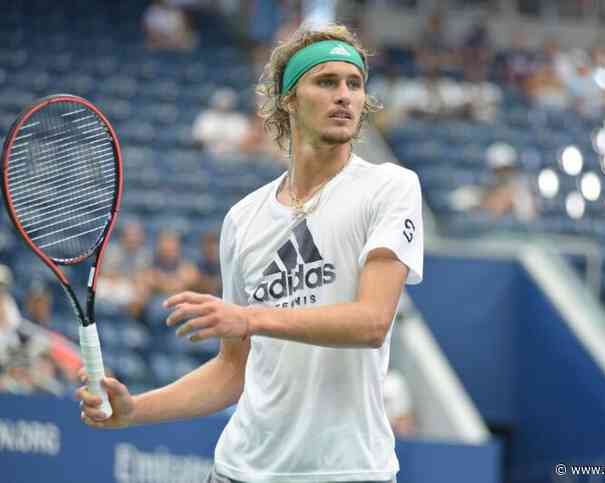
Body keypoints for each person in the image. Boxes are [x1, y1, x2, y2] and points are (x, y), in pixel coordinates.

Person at [77, 23, 424, 483]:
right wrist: (135, 410)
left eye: (354, 83)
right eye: (326, 82)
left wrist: (250, 318)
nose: (345, 95)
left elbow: (372, 322)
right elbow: (232, 370)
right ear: (288, 99)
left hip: (350, 470)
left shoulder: (391, 187)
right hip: (240, 469)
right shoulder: (243, 220)